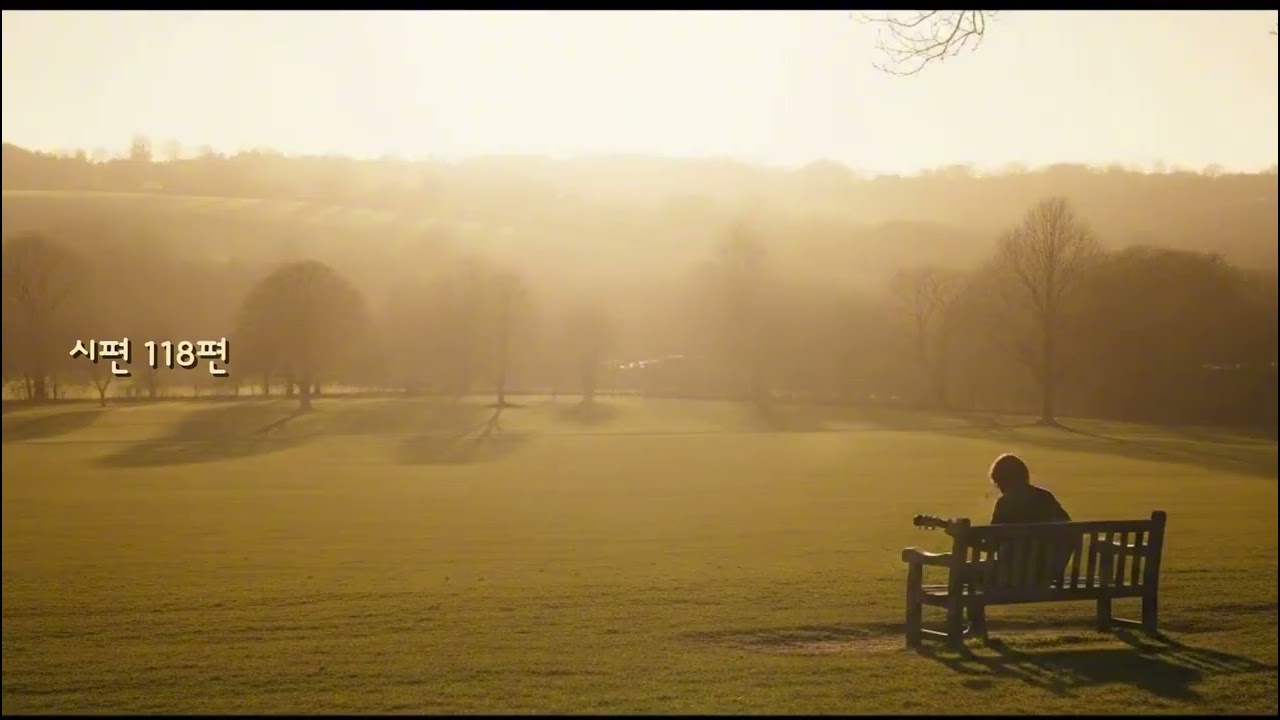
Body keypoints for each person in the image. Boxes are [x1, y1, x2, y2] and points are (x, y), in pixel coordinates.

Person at [988, 453, 1071, 525]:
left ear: (1005, 482)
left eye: (999, 485)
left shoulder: (1004, 505)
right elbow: (1068, 525)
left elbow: (992, 537)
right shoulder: (1045, 498)